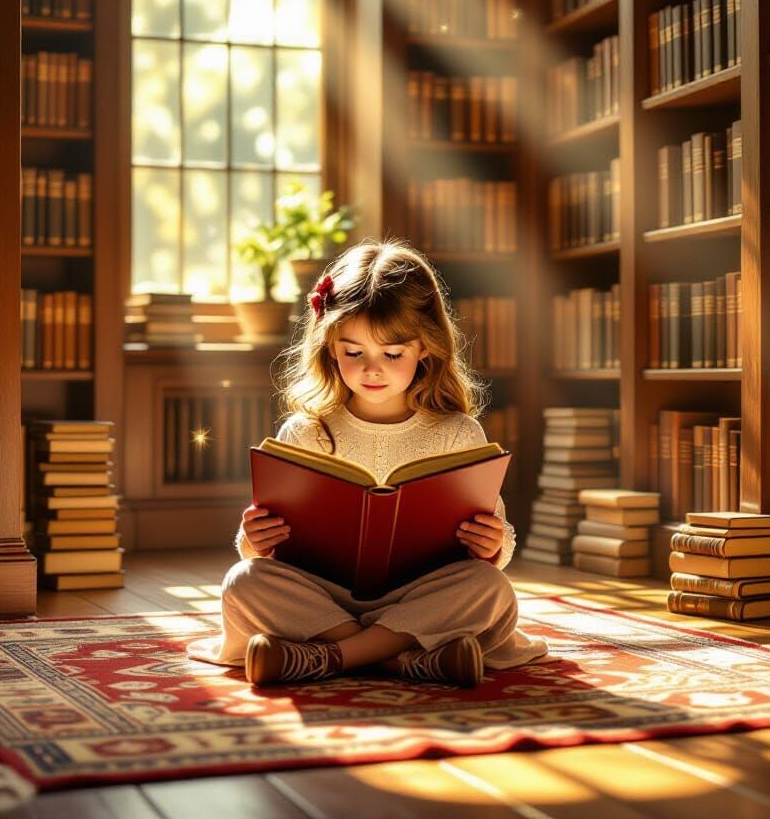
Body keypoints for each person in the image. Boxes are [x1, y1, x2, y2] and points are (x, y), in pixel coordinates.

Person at [187, 239, 548, 687]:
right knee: (244, 580)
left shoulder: (458, 433)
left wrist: (492, 545)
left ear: (426, 349)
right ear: (329, 347)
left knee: (487, 587)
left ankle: (327, 658)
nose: (371, 369)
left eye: (392, 354)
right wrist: (254, 538)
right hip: (325, 599)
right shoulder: (305, 432)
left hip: (418, 596)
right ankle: (401, 660)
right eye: (353, 352)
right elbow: (262, 548)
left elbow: (496, 549)